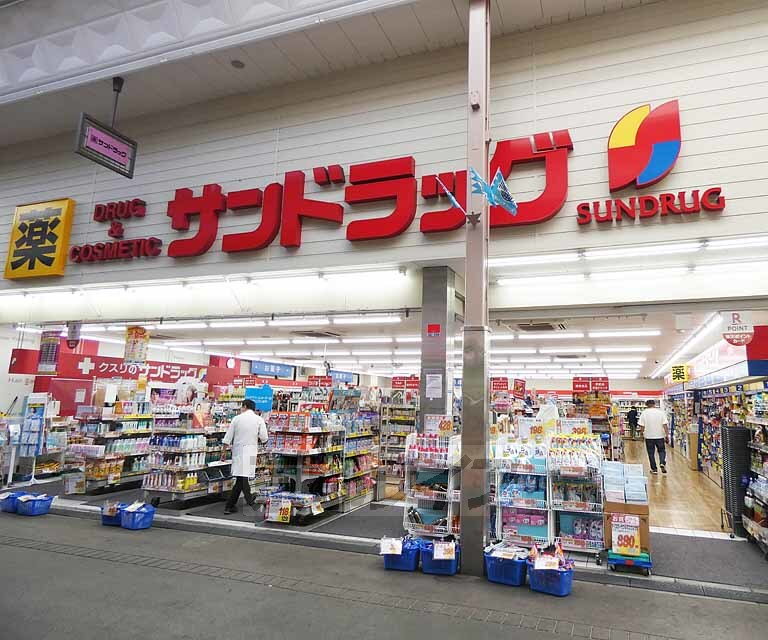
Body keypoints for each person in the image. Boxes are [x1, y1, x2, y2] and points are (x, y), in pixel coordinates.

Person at [223, 399, 268, 514]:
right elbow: (264, 437)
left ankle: (234, 504)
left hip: (238, 451)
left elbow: (228, 437)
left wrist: (223, 452)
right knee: (243, 477)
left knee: (241, 477)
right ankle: (244, 502)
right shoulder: (259, 419)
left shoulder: (236, 419)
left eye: (241, 406)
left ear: (245, 406)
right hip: (251, 451)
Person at [638, 399, 669, 475]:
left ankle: (654, 469)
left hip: (649, 436)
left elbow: (642, 426)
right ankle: (662, 462)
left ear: (646, 405)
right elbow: (665, 424)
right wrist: (667, 435)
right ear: (654, 404)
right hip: (660, 436)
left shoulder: (644, 413)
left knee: (651, 453)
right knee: (661, 451)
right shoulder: (660, 412)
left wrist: (641, 434)